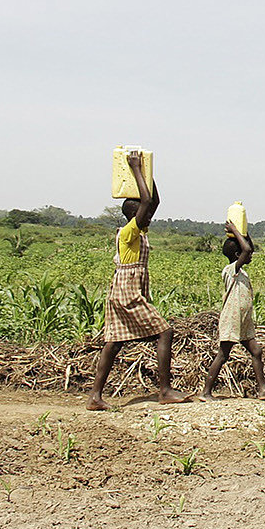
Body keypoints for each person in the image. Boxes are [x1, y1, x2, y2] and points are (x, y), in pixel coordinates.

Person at [86, 150, 193, 410]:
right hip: (127, 290)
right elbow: (146, 201)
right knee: (164, 332)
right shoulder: (128, 231)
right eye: (144, 215)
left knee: (115, 342)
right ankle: (165, 390)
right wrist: (135, 168)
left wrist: (148, 171)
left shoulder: (139, 229)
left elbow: (153, 201)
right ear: (135, 215)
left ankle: (95, 397)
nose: (149, 217)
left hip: (126, 289)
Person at [200, 219, 265, 400]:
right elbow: (247, 250)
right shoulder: (231, 270)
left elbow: (247, 248)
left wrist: (245, 232)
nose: (251, 254)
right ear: (238, 254)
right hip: (232, 318)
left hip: (243, 319)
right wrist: (236, 231)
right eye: (246, 252)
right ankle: (206, 392)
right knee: (223, 355)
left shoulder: (241, 270)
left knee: (256, 352)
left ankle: (262, 390)